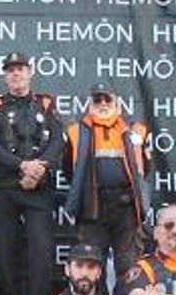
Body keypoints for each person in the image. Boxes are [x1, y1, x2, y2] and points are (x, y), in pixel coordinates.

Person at [0, 52, 64, 295]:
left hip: (39, 188)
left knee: (40, 252)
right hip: (6, 187)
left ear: (31, 72)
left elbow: (58, 143)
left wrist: (39, 168)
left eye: (20, 69)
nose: (16, 74)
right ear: (5, 76)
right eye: (11, 70)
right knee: (6, 251)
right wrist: (22, 165)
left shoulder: (46, 103)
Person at [63, 82, 151, 281]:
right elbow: (69, 170)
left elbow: (146, 169)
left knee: (128, 264)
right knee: (91, 264)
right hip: (93, 208)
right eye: (97, 100)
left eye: (107, 99)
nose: (102, 104)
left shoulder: (136, 131)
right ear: (90, 105)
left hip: (126, 208)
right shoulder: (75, 131)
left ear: (118, 104)